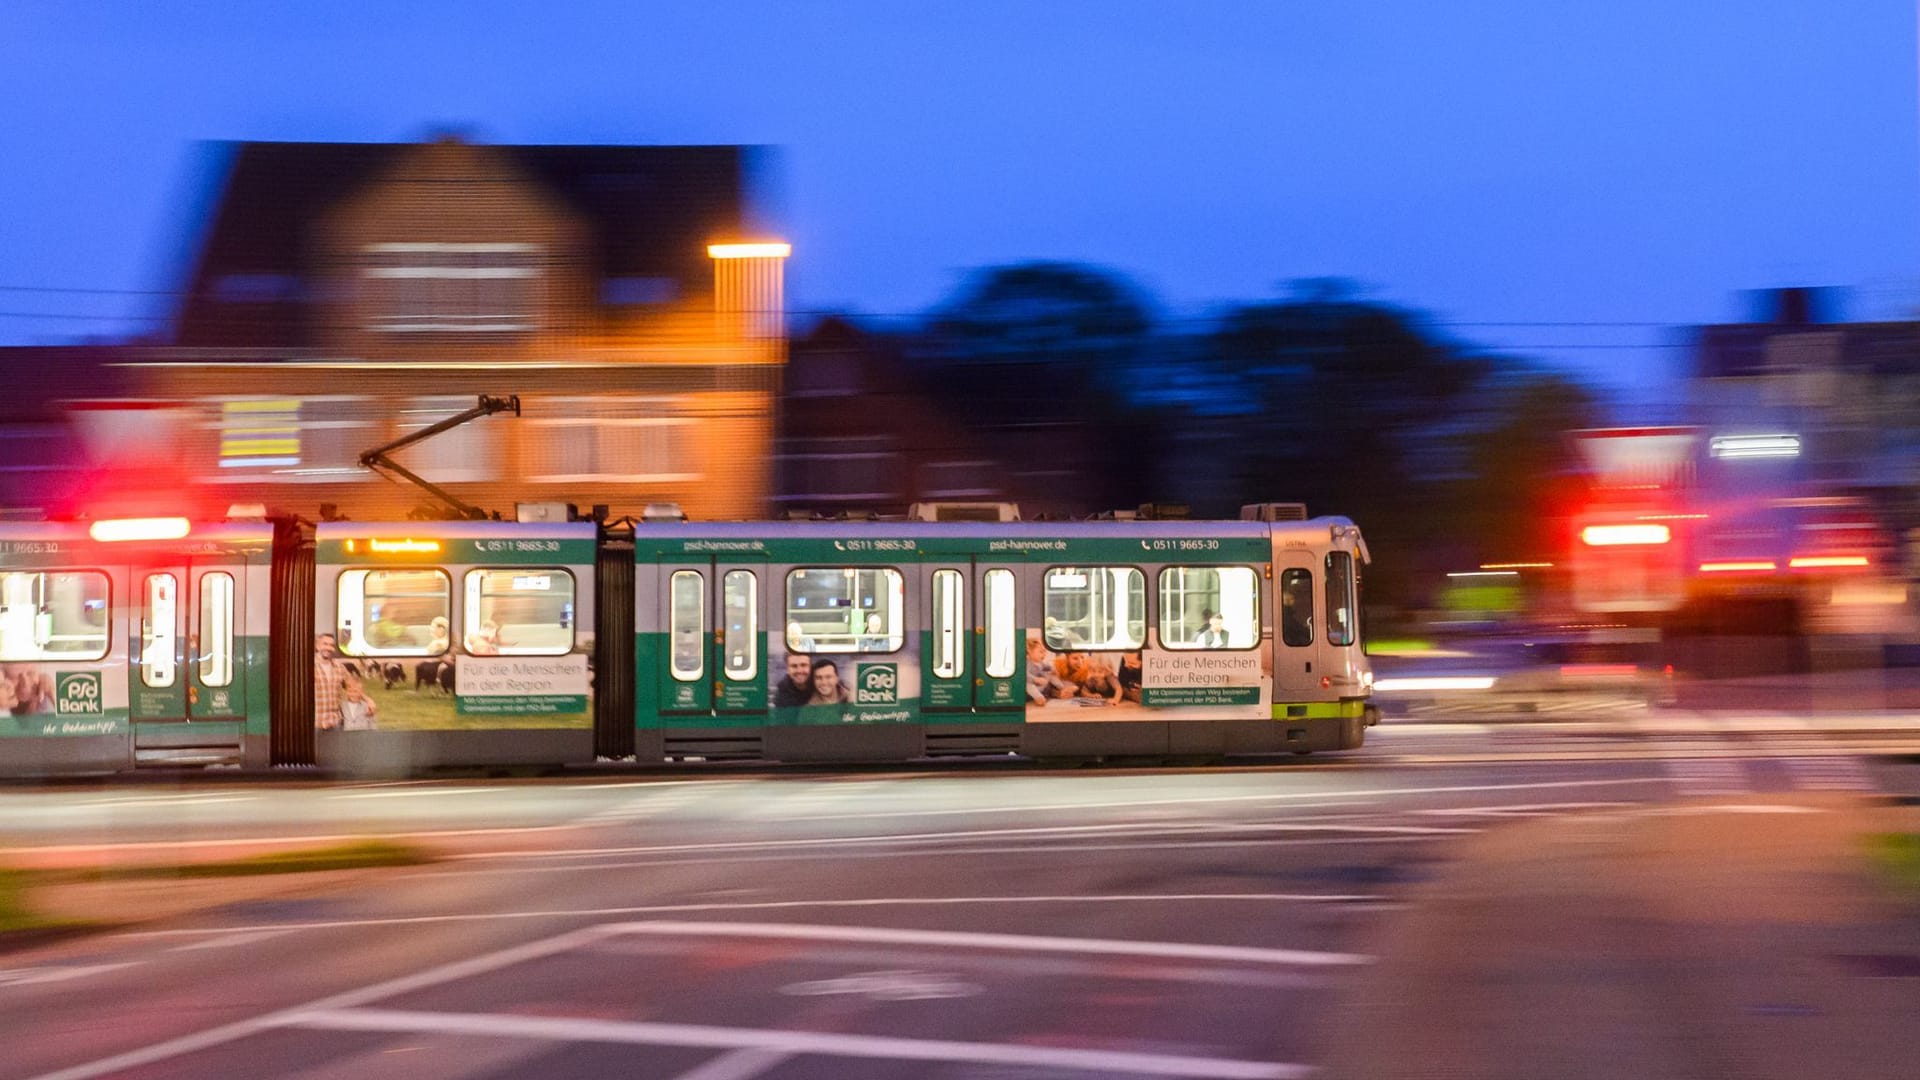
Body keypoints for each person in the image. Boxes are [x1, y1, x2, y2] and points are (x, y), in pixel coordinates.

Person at [1026, 637, 1073, 703]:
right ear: (1029, 651)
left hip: (1040, 685)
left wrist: (1053, 670)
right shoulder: (1028, 663)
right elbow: (1025, 675)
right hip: (1031, 685)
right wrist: (1035, 679)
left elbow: (1048, 667)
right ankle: (1038, 698)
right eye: (1041, 652)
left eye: (1045, 651)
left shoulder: (1041, 663)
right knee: (1028, 685)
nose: (1044, 654)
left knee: (1051, 675)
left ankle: (1062, 687)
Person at [314, 633, 344, 731]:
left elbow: (352, 685)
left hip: (335, 722)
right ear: (317, 646)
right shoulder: (306, 665)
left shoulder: (339, 667)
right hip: (314, 723)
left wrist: (368, 700)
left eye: (331, 645)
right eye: (325, 644)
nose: (328, 648)